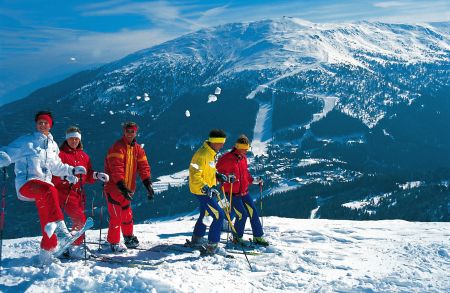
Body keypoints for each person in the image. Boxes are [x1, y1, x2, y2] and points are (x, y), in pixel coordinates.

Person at [0, 111, 87, 264]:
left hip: (44, 188)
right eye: (40, 122)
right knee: (50, 189)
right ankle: (61, 231)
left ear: (50, 125)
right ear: (36, 124)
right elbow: (7, 152)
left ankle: (47, 251)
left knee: (47, 219)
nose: (42, 125)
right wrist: (3, 159)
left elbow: (56, 167)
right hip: (27, 183)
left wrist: (71, 170)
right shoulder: (26, 141)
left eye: (45, 123)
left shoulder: (53, 146)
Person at [52, 126, 110, 258]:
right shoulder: (59, 155)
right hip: (64, 193)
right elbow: (54, 173)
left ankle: (68, 245)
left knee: (77, 221)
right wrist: (66, 177)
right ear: (67, 139)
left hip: (79, 194)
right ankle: (75, 247)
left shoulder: (84, 156)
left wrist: (97, 175)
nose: (74, 141)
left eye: (76, 139)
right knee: (80, 220)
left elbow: (87, 175)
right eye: (71, 138)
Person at [104, 121, 153, 253]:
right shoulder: (117, 147)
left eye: (132, 131)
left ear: (136, 132)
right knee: (116, 217)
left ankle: (129, 237)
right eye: (128, 131)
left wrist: (148, 184)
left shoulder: (138, 149)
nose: (130, 134)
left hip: (128, 190)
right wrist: (122, 187)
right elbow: (116, 169)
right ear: (124, 132)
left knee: (127, 214)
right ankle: (114, 242)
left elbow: (144, 167)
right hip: (114, 189)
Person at [216, 134, 269, 246]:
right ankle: (237, 238)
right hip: (232, 193)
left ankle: (258, 237)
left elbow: (245, 174)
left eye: (246, 149)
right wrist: (225, 178)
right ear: (237, 147)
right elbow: (216, 173)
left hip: (244, 192)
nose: (244, 151)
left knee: (253, 213)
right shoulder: (226, 158)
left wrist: (253, 180)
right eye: (242, 149)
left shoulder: (243, 158)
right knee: (242, 215)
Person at [189, 129, 231, 254]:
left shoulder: (211, 152)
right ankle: (212, 246)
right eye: (220, 143)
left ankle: (197, 240)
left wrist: (217, 175)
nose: (223, 145)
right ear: (213, 142)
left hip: (208, 190)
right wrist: (206, 188)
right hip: (202, 191)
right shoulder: (202, 155)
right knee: (218, 215)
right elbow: (195, 174)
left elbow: (207, 171)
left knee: (205, 214)